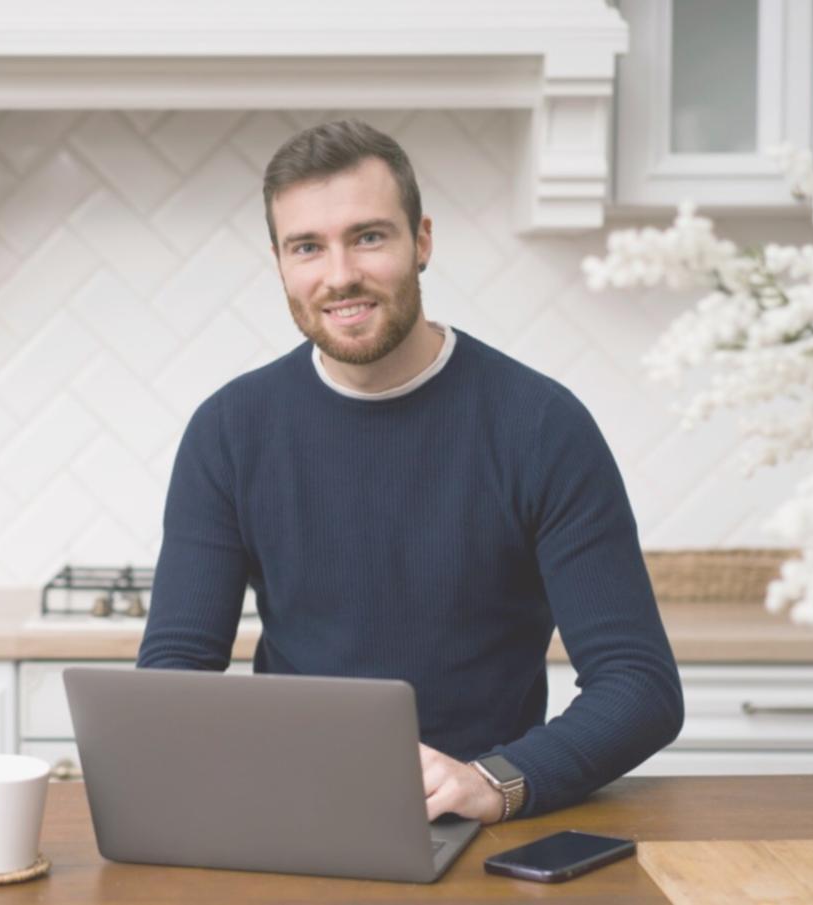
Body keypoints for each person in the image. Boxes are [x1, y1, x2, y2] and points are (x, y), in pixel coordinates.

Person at [136, 119, 683, 824]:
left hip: (480, 825)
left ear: (421, 241)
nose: (340, 275)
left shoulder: (541, 426)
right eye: (308, 247)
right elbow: (175, 672)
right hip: (292, 817)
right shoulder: (229, 431)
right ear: (279, 263)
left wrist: (493, 781)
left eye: (368, 236)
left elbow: (639, 686)